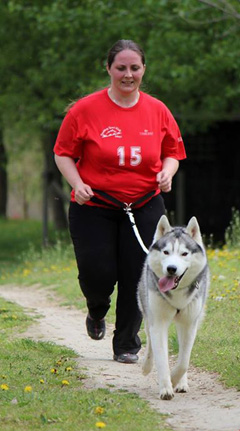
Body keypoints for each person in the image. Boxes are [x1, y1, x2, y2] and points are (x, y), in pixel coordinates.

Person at [53, 39, 186, 363]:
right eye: (121, 68)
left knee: (138, 272)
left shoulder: (157, 110)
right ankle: (97, 310)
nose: (128, 74)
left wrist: (167, 173)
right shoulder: (85, 109)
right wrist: (78, 183)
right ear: (109, 69)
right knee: (97, 272)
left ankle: (127, 343)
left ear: (143, 69)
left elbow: (173, 153)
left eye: (135, 68)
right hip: (95, 205)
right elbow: (63, 153)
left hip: (144, 203)